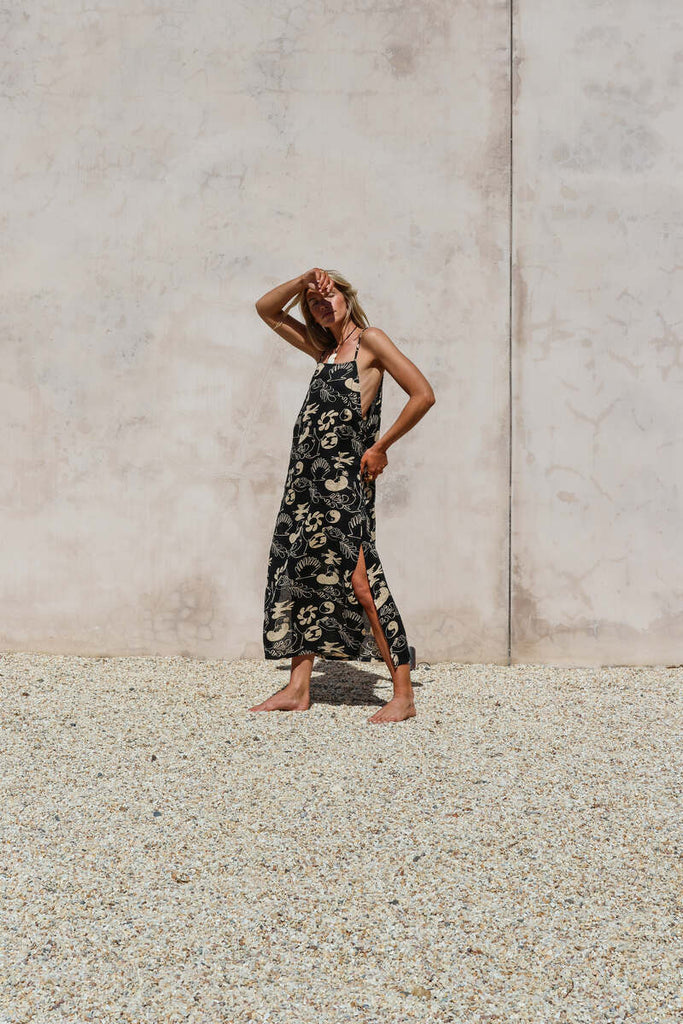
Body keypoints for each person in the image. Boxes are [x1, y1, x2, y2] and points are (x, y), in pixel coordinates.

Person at [250, 267, 435, 723]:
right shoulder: (323, 350)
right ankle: (298, 688)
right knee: (302, 574)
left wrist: (381, 446)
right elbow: (266, 310)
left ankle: (403, 694)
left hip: (343, 481)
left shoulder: (371, 340)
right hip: (304, 484)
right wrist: (302, 283)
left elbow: (422, 394)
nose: (321, 305)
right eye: (313, 303)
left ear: (347, 298)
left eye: (329, 296)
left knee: (362, 583)